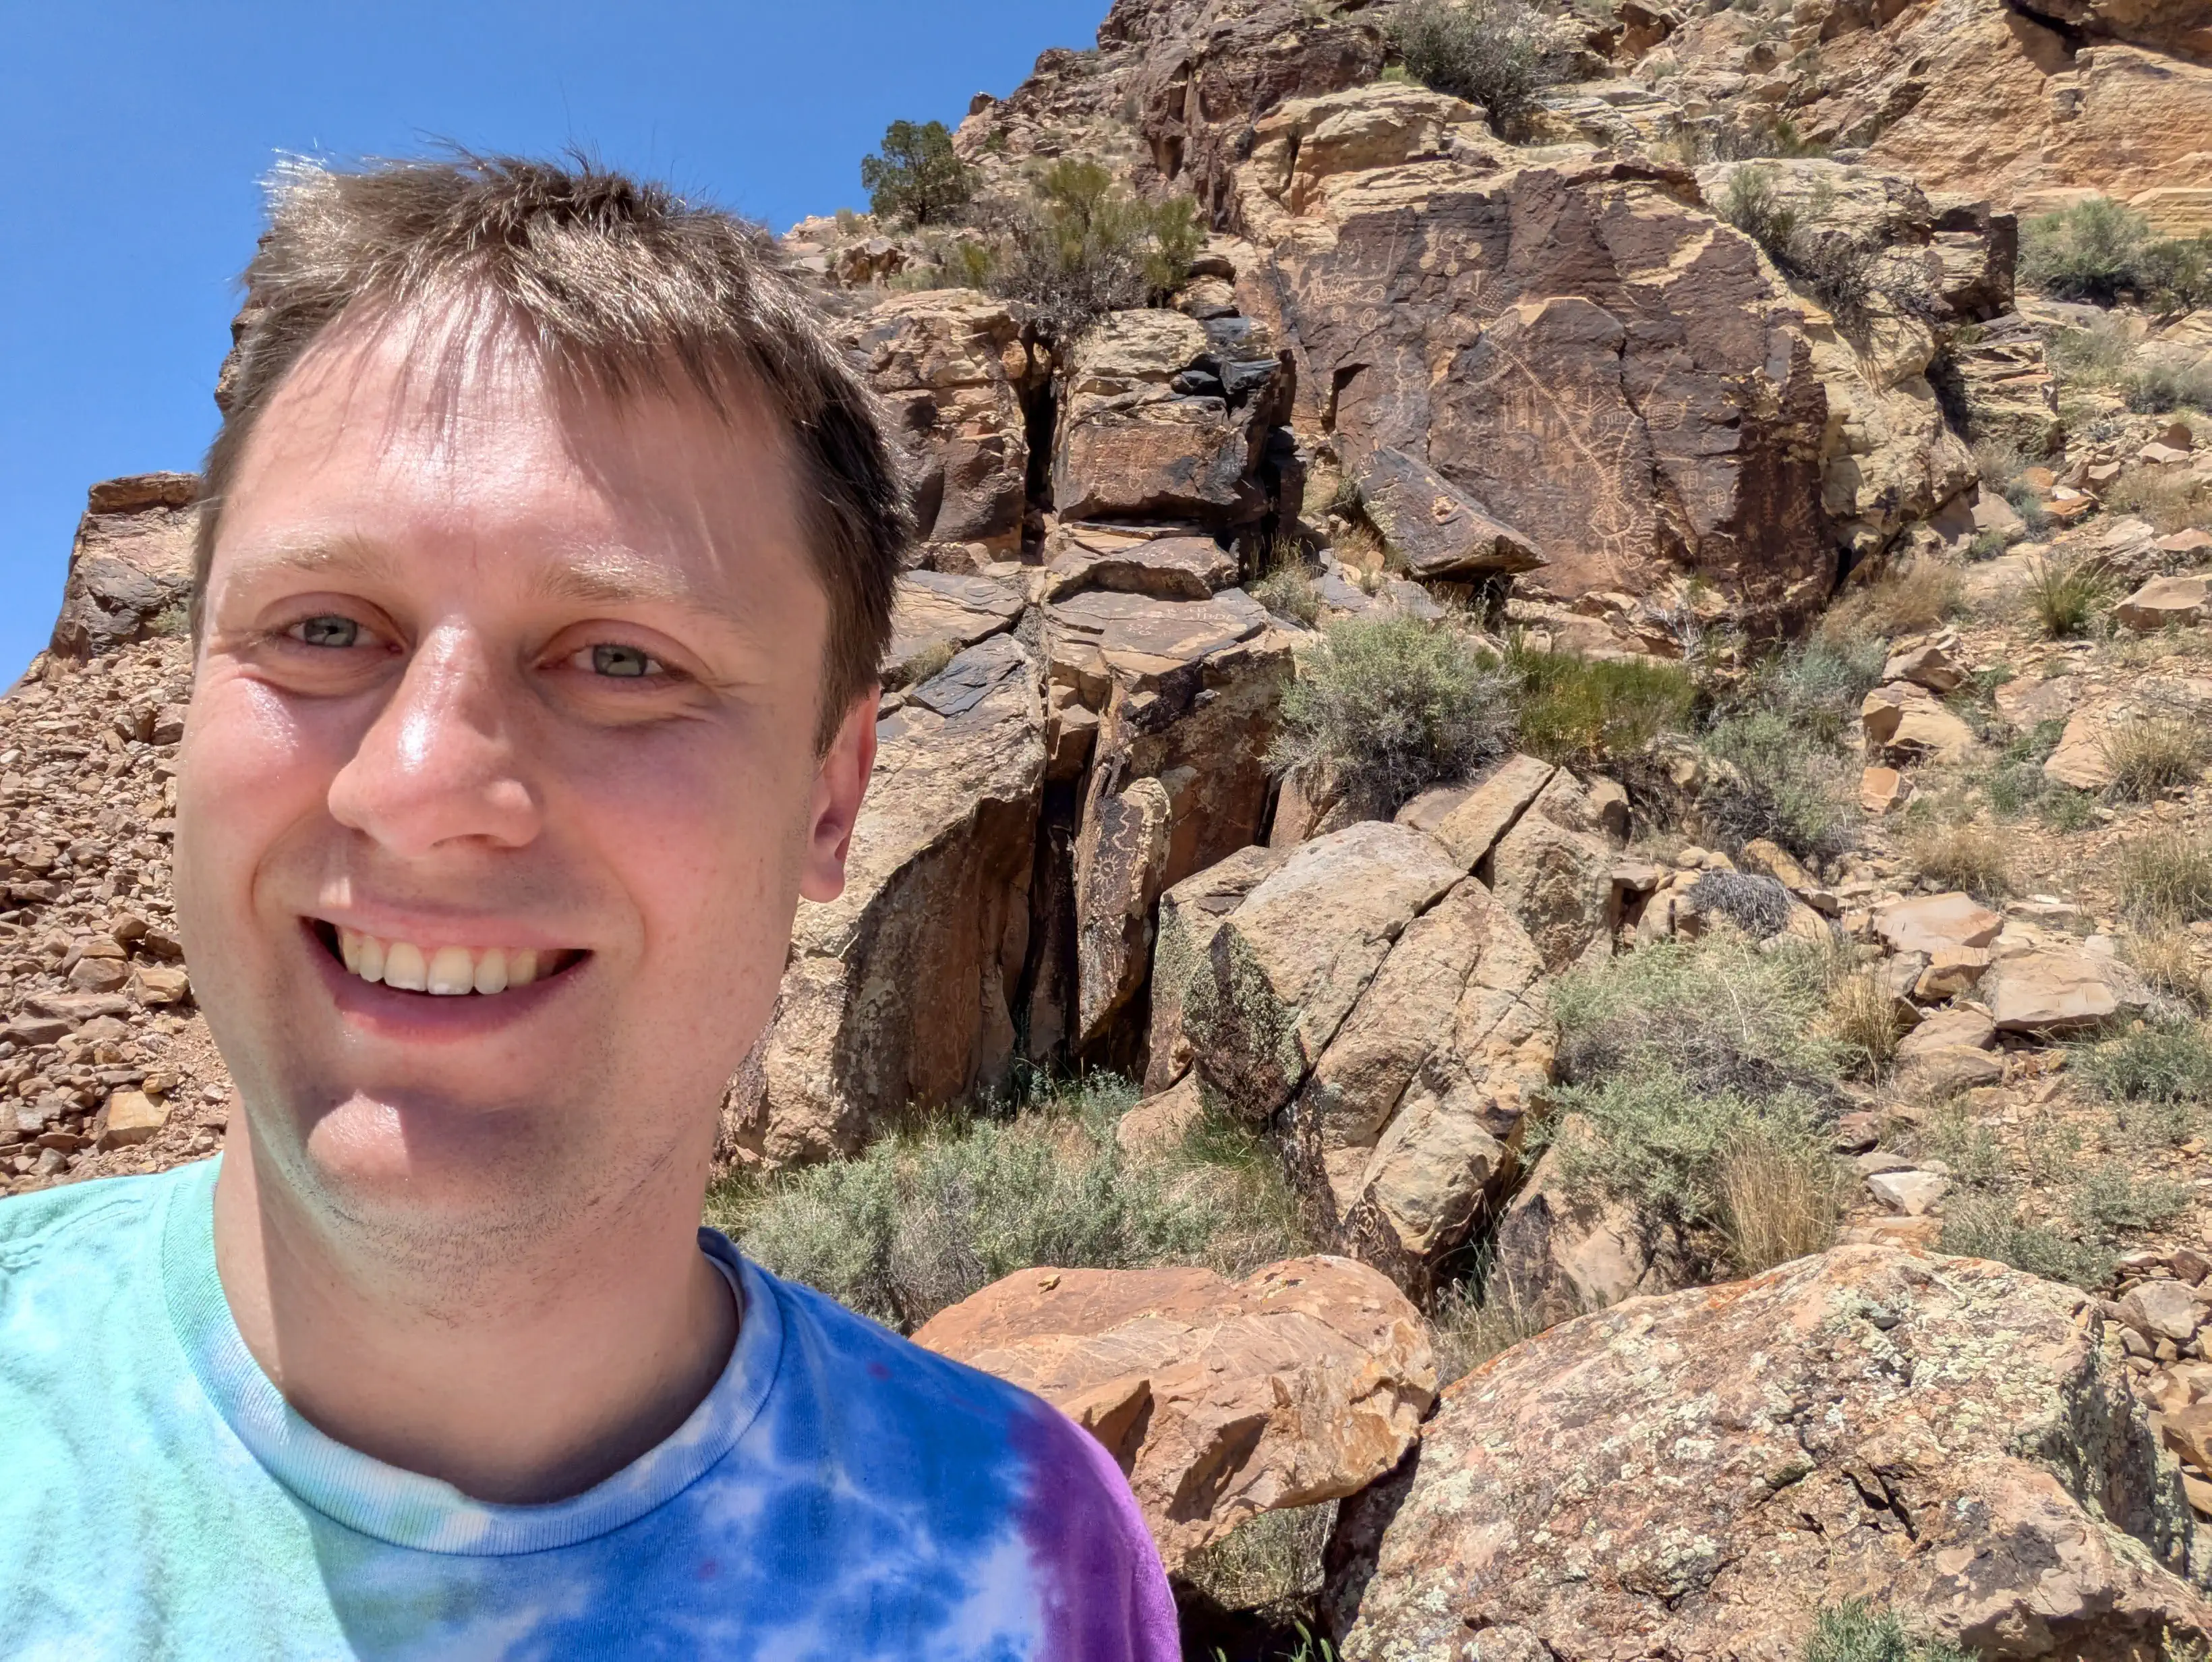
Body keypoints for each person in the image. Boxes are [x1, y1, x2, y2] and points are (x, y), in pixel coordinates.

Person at [0, 153, 1177, 1660]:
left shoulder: (1032, 1554)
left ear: (830, 796)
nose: (419, 783)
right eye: (323, 629)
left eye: (621, 659)